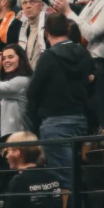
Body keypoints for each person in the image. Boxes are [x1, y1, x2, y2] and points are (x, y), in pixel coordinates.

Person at [26, 13, 93, 188]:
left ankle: (70, 207)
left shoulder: (48, 57)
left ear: (46, 32)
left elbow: (32, 91)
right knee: (76, 176)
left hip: (55, 123)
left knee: (63, 180)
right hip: (81, 121)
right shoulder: (83, 53)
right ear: (68, 29)